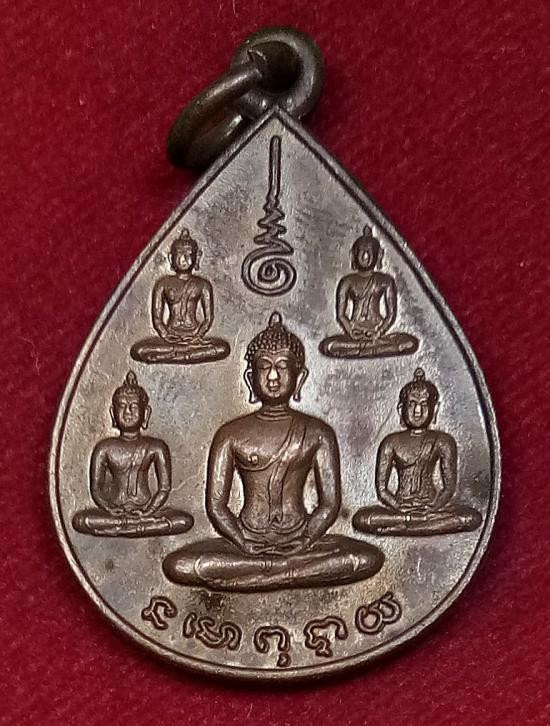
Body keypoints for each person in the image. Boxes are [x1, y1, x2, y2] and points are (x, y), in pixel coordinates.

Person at [163, 312, 383, 591]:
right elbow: (216, 506)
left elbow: (329, 504)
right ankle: (287, 573)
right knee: (181, 565)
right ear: (250, 378)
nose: (273, 376)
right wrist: (242, 541)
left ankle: (266, 575)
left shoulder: (317, 432)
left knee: (364, 558)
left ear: (299, 377)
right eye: (264, 367)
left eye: (282, 367)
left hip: (300, 541)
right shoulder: (231, 434)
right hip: (247, 543)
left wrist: (305, 539)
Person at [352, 368, 482, 536]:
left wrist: (432, 507)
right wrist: (400, 507)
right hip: (400, 509)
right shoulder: (391, 442)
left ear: (435, 409)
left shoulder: (442, 441)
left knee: (471, 518)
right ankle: (416, 524)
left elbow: (449, 487)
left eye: (423, 405)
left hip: (431, 508)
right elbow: (382, 490)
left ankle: (406, 527)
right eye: (412, 404)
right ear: (401, 409)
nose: (417, 411)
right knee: (362, 519)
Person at [72, 371, 193, 537]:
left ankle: (123, 528)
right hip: (115, 514)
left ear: (146, 413)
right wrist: (110, 509)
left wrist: (148, 510)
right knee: (81, 520)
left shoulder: (156, 447)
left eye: (134, 406)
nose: (128, 412)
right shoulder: (104, 448)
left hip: (146, 512)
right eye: (122, 406)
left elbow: (164, 488)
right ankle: (129, 526)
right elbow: (96, 489)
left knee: (184, 520)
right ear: (113, 413)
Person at [131, 228, 230, 364]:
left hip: (195, 337)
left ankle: (171, 356)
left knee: (223, 348)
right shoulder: (163, 284)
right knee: (139, 350)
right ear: (171, 258)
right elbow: (157, 319)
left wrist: (198, 335)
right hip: (171, 336)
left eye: (189, 254)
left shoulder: (203, 284)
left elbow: (208, 318)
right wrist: (166, 335)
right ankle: (185, 355)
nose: (184, 258)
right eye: (180, 253)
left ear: (197, 257)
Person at [319, 226, 418, 358]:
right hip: (355, 333)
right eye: (361, 252)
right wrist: (351, 331)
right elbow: (341, 315)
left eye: (370, 252)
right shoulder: (347, 281)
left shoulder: (385, 281)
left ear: (379, 255)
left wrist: (379, 332)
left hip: (378, 332)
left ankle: (363, 350)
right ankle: (369, 349)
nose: (365, 256)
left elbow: (391, 315)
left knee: (410, 343)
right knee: (329, 346)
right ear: (353, 255)